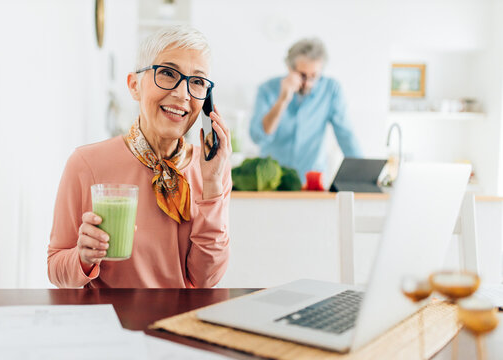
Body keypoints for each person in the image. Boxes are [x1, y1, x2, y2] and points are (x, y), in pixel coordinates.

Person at [48, 26, 232, 288]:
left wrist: (212, 184)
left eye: (198, 82)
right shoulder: (86, 163)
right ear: (134, 86)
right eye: (168, 73)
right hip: (111, 324)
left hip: (178, 323)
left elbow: (206, 280)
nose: (182, 94)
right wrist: (83, 257)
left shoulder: (212, 170)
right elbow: (56, 269)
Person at [249, 38, 362, 183]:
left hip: (312, 182)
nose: (308, 83)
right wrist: (283, 99)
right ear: (290, 69)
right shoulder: (267, 90)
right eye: (302, 75)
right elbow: (258, 136)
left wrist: (363, 173)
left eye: (314, 76)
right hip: (273, 181)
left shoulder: (331, 89)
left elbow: (346, 135)